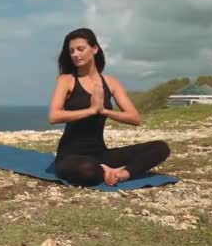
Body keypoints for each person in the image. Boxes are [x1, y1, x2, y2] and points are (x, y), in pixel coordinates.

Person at [47, 27, 170, 186]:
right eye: (71, 51)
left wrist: (104, 110)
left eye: (80, 49)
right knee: (88, 169)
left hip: (100, 153)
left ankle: (122, 174)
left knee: (160, 148)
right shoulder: (66, 80)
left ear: (95, 48)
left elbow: (135, 118)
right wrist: (91, 110)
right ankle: (104, 170)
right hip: (71, 156)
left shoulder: (111, 82)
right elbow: (54, 116)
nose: (75, 54)